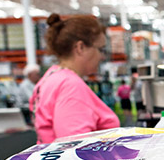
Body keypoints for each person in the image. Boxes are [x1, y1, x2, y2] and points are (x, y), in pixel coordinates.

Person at [30, 13, 119, 143]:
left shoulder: (51, 77)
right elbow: (76, 147)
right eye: (101, 49)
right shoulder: (70, 85)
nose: (102, 57)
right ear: (80, 47)